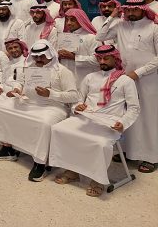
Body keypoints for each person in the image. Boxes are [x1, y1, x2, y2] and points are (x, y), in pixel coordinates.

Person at [49, 45, 140, 197]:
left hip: (110, 121)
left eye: (106, 58)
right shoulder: (90, 77)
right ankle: (72, 170)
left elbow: (134, 108)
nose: (102, 61)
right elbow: (78, 98)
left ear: (115, 59)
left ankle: (97, 180)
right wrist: (78, 107)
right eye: (100, 59)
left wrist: (123, 123)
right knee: (59, 129)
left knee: (100, 143)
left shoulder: (125, 80)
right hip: (86, 117)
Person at [0, 40, 80, 182]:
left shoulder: (62, 71)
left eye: (42, 56)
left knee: (44, 123)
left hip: (52, 106)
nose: (38, 59)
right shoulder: (30, 67)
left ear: (50, 54)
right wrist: (16, 89)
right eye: (35, 56)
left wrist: (51, 94)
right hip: (28, 102)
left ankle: (40, 163)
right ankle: (8, 148)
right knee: (2, 109)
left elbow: (74, 95)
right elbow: (20, 82)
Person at [95, 0, 158, 173]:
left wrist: (138, 73)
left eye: (134, 10)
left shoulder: (153, 28)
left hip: (148, 79)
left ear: (143, 10)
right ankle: (129, 152)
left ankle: (151, 157)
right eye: (127, 10)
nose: (130, 13)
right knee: (127, 113)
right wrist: (112, 16)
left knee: (148, 117)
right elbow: (100, 36)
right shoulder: (120, 26)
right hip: (124, 78)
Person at [56, 8, 100, 84]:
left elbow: (97, 60)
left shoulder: (91, 38)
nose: (68, 23)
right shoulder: (64, 37)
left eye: (72, 20)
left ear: (81, 20)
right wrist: (58, 56)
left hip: (84, 79)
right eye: (67, 20)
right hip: (66, 80)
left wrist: (74, 57)